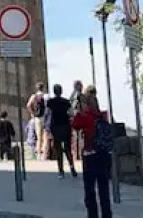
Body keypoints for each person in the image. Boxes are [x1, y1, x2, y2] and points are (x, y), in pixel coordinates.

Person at [72, 88, 114, 218]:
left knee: (90, 190)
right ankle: (107, 214)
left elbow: (74, 124)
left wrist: (78, 113)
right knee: (104, 189)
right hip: (105, 155)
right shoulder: (102, 116)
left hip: (90, 156)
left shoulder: (85, 117)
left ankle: (93, 215)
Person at [45, 84, 76, 178]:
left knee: (58, 150)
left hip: (56, 127)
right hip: (66, 126)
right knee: (68, 149)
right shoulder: (66, 102)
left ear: (54, 91)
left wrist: (47, 128)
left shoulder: (50, 102)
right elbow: (71, 113)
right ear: (61, 91)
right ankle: (72, 168)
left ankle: (61, 171)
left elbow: (47, 114)